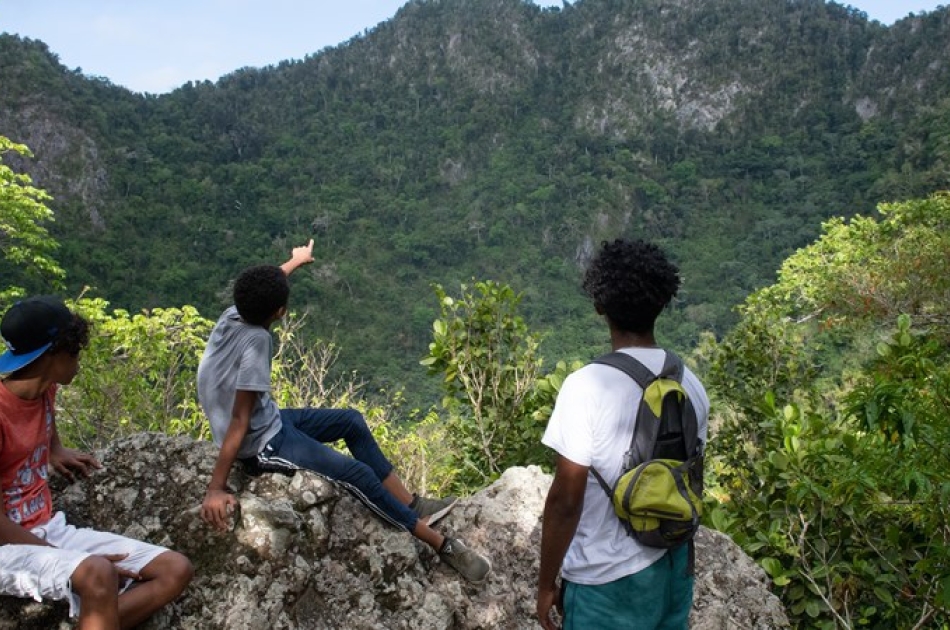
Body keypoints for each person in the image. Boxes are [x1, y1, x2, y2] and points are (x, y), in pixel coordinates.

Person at [197, 239, 490, 583]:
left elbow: (267, 283)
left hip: (271, 420)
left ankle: (412, 504)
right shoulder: (257, 342)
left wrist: (295, 261)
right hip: (262, 445)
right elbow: (239, 419)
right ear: (280, 312)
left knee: (351, 421)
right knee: (357, 475)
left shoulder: (234, 313)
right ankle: (443, 545)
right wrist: (216, 487)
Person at [536, 239, 710, 630]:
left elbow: (566, 499)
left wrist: (545, 584)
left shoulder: (586, 387)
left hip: (607, 583)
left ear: (600, 305)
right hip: (674, 568)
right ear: (662, 303)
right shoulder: (691, 385)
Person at [0, 295, 194, 630]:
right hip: (8, 543)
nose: (79, 362)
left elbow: (42, 417)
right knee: (98, 574)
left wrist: (54, 449)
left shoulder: (44, 387)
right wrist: (63, 556)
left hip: (46, 525)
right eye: (75, 352)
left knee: (174, 569)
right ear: (52, 356)